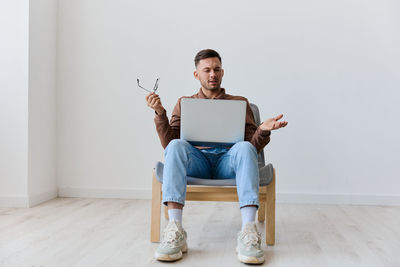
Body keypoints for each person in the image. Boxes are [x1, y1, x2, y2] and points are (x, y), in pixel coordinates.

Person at [145, 49, 288, 264]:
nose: (212, 74)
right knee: (176, 145)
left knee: (243, 148)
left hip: (227, 162)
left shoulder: (240, 103)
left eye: (217, 69)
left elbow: (251, 148)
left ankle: (249, 232)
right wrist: (160, 114)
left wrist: (263, 130)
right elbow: (170, 145)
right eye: (207, 70)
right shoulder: (184, 103)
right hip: (197, 162)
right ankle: (175, 230)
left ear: (222, 73)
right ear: (197, 75)